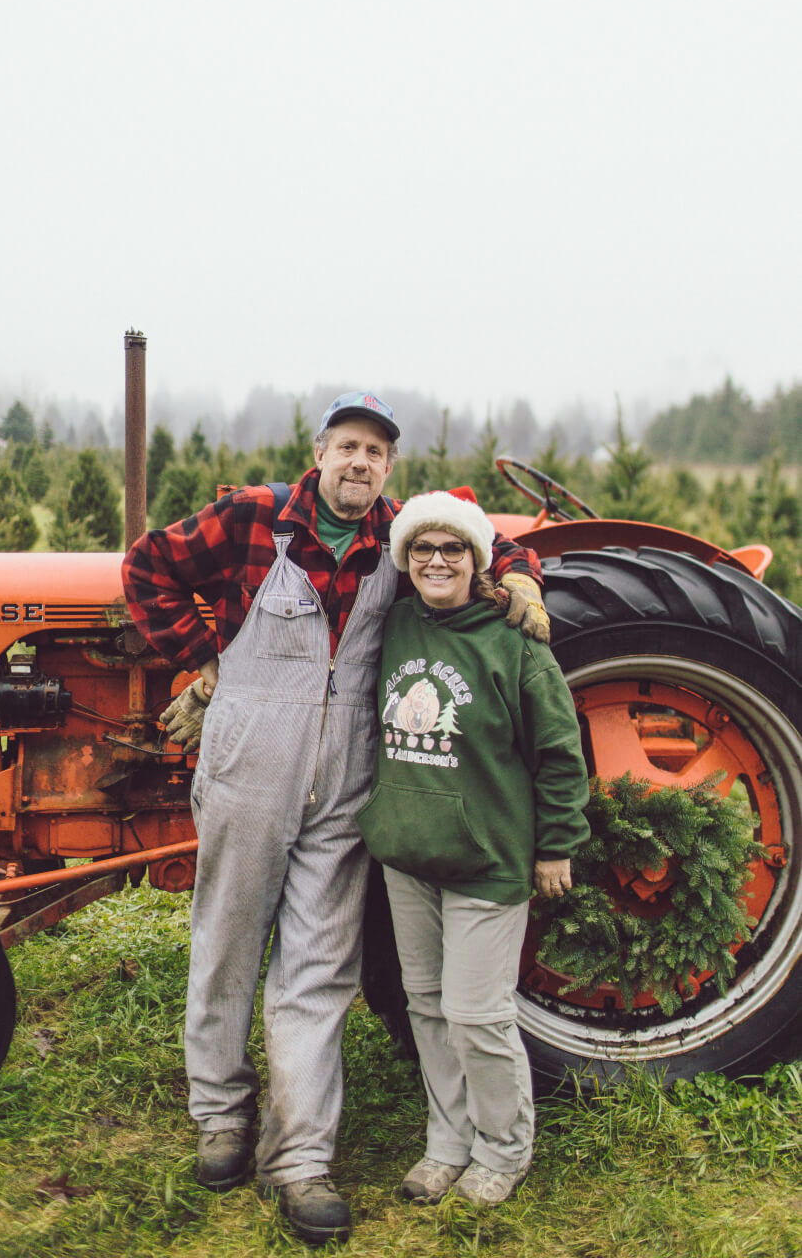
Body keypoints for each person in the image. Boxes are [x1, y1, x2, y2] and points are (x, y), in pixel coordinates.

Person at [121, 392, 548, 1246]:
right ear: (319, 452)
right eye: (347, 446)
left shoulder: (401, 534)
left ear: (390, 468)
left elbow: (488, 540)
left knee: (318, 968)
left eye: (376, 453)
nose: (360, 463)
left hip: (347, 780)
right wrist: (205, 662)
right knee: (228, 941)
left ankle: (302, 1159)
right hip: (249, 767)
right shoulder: (253, 518)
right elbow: (145, 566)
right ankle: (221, 1115)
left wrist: (526, 577)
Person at [356, 490, 590, 1208]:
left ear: (476, 560)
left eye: (452, 549)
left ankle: (503, 1147)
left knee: (475, 1013)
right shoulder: (391, 627)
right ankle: (446, 1142)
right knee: (424, 1005)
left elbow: (558, 753)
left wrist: (555, 848)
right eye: (421, 549)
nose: (435, 561)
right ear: (405, 560)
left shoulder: (512, 641)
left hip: (487, 859)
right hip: (407, 854)